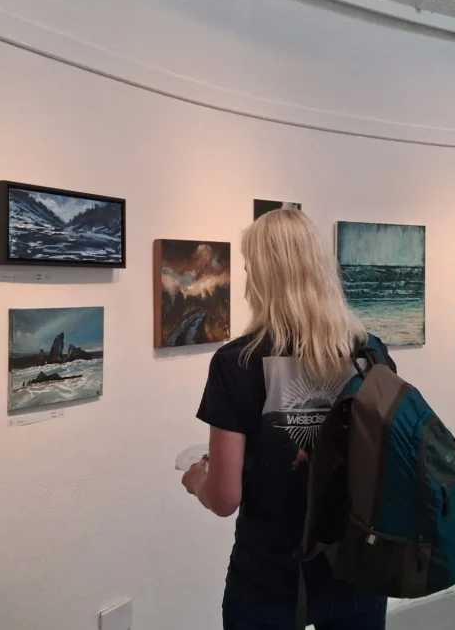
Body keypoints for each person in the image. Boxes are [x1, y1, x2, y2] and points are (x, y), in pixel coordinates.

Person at [182, 209, 393, 630]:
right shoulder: (369, 352)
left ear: (262, 277)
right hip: (359, 562)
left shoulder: (235, 362)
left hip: (270, 571)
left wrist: (196, 479)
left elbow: (224, 499)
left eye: (248, 269)